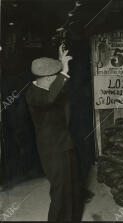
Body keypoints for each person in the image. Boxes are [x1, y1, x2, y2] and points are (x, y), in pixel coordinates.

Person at [25, 45, 83, 221]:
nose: (56, 80)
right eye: (53, 78)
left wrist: (59, 62)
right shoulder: (34, 95)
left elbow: (57, 91)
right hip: (52, 150)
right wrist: (63, 71)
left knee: (72, 187)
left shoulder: (46, 86)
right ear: (45, 78)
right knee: (60, 191)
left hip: (64, 143)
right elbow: (50, 99)